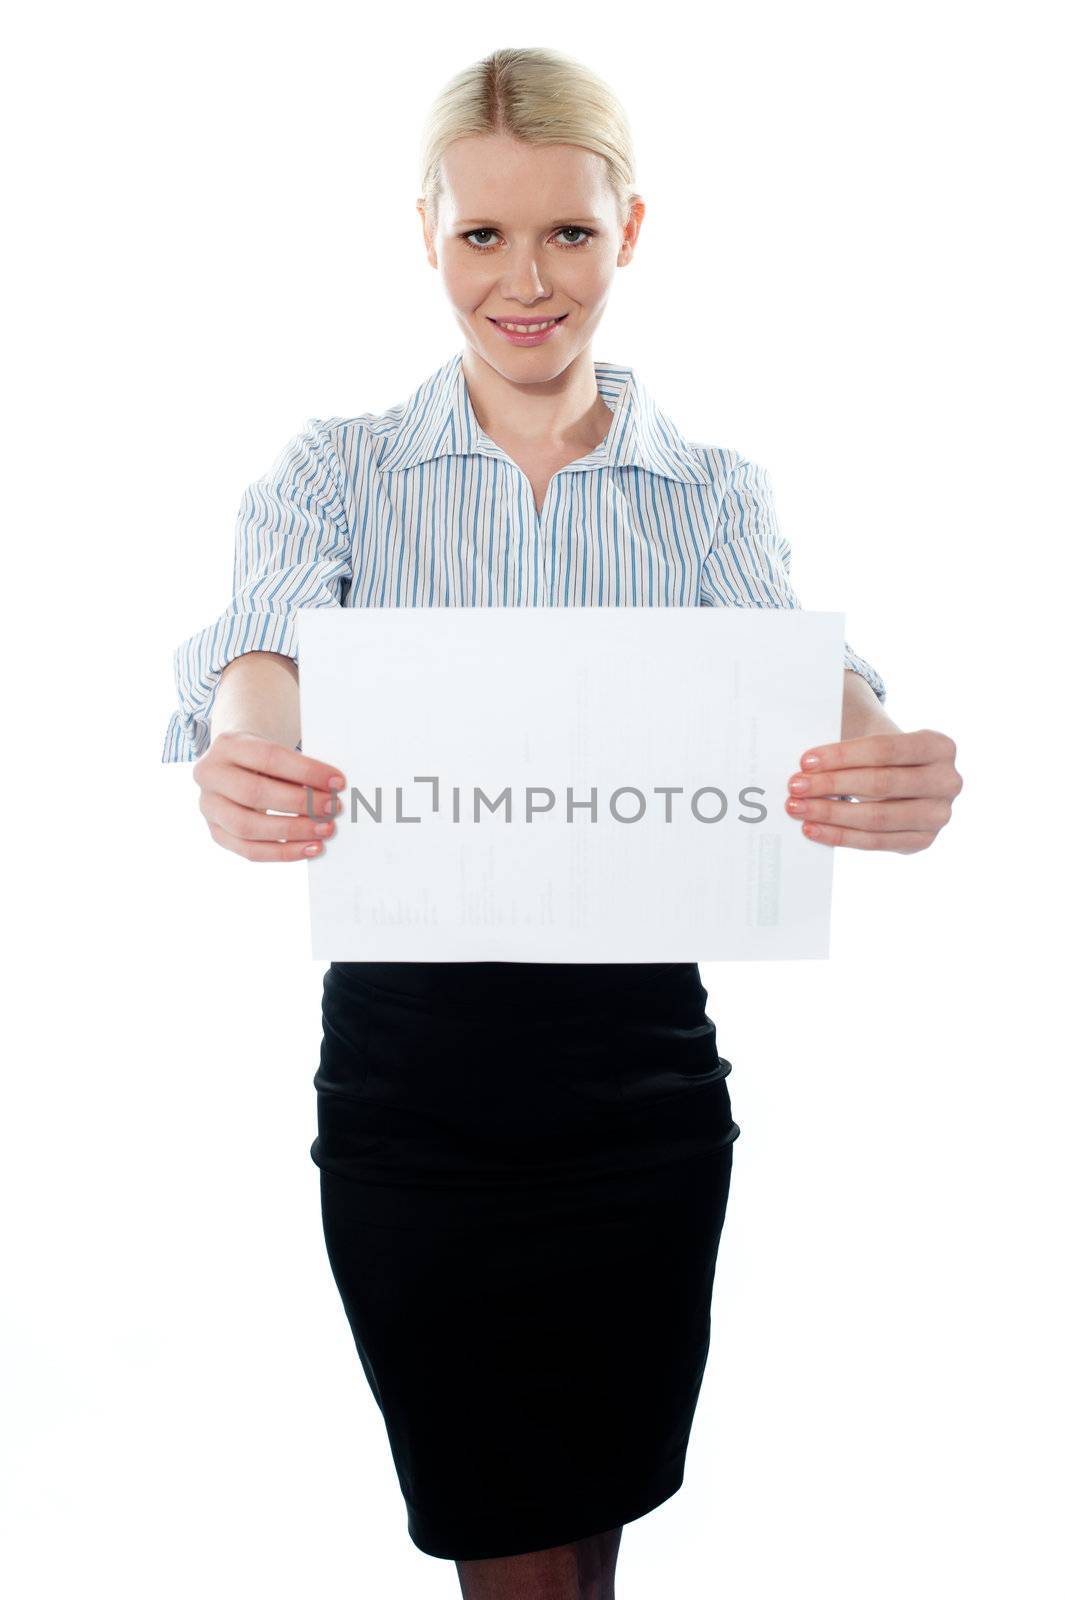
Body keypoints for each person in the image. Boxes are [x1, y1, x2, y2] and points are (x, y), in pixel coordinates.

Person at [161, 45, 963, 1600]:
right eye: (481, 235)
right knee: (509, 1541)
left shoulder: (707, 495)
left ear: (630, 233)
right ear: (426, 236)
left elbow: (806, 681)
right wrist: (247, 757)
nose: (524, 281)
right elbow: (259, 655)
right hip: (417, 1093)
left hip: (637, 1091)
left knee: (584, 1538)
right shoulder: (337, 473)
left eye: (568, 235)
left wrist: (888, 766)